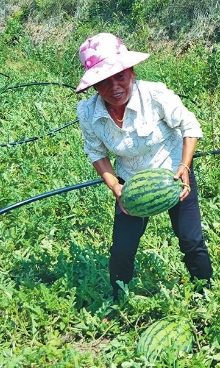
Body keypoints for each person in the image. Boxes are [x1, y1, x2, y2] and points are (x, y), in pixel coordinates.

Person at [75, 32, 212, 298]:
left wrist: (184, 166)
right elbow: (95, 152)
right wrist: (115, 186)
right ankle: (119, 300)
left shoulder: (155, 95)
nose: (114, 87)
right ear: (94, 86)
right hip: (131, 182)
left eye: (120, 76)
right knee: (122, 249)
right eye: (103, 82)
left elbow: (190, 126)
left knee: (190, 239)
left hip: (174, 173)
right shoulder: (89, 113)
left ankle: (205, 293)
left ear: (131, 71)